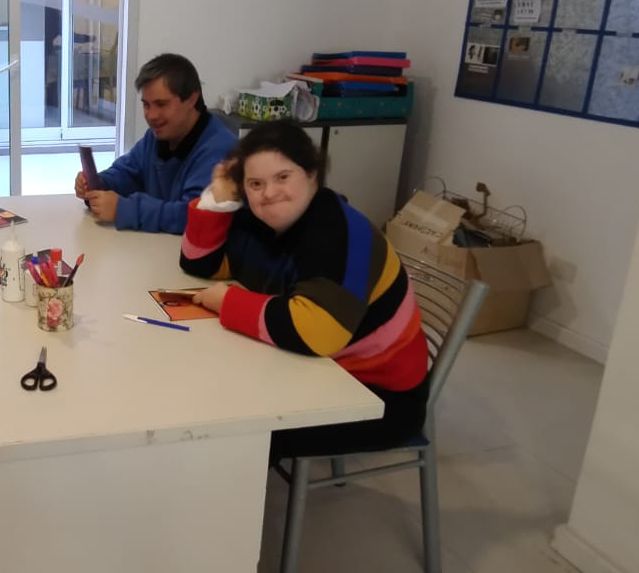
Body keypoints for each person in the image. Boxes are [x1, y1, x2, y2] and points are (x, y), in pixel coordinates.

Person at [178, 120, 429, 459]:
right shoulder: (264, 219)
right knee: (209, 397)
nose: (269, 193)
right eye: (255, 183)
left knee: (233, 431)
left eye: (283, 177)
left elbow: (316, 332)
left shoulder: (340, 232)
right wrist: (217, 197)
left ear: (312, 174)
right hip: (316, 366)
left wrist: (228, 302)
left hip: (377, 395)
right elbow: (201, 264)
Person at [73, 53, 236, 233]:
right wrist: (99, 184)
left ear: (192, 99)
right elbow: (127, 172)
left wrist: (125, 210)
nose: (151, 115)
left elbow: (194, 215)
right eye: (146, 105)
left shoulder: (221, 149)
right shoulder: (157, 136)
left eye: (161, 104)